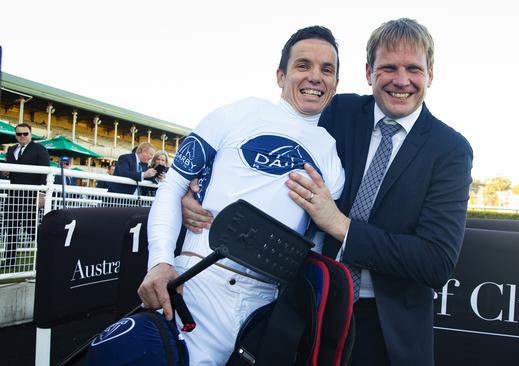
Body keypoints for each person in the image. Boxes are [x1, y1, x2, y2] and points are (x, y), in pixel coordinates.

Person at [182, 18, 473, 366]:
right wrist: (197, 187)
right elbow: (264, 142)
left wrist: (341, 226)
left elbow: (436, 262)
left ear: (430, 74)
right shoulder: (337, 110)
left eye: (413, 68)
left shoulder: (450, 149)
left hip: (384, 328)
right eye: (388, 67)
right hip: (308, 306)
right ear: (368, 71)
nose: (401, 80)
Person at [138, 26, 344, 365]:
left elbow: (315, 241)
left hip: (265, 309)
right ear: (281, 75)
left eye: (327, 70)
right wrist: (160, 263)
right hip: (197, 285)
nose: (315, 77)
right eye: (303, 65)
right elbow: (173, 185)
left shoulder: (332, 158)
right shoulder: (235, 114)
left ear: (336, 83)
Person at [2, 123, 50, 269]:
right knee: (10, 228)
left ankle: (49, 256)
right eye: (19, 134)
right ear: (15, 135)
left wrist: (41, 194)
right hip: (13, 196)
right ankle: (9, 261)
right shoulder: (11, 149)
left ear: (30, 134)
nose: (22, 136)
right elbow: (7, 170)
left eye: (25, 134)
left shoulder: (39, 149)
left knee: (31, 229)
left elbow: (45, 171)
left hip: (30, 197)